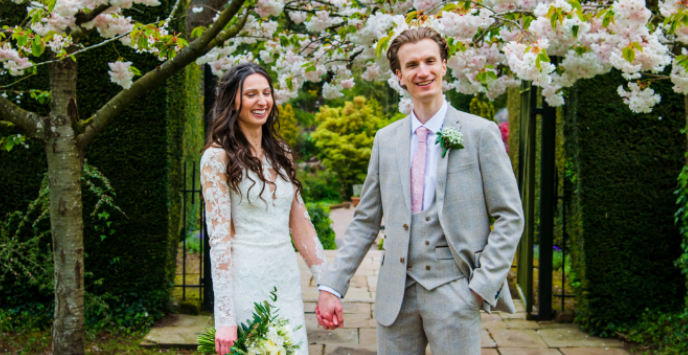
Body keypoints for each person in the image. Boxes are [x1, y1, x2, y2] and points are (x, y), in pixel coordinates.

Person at [316, 27, 524, 354]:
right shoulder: (385, 140)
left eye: (430, 61)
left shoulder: (479, 133)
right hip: (395, 296)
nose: (422, 71)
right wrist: (332, 286)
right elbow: (365, 221)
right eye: (411, 65)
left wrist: (482, 287)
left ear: (444, 66)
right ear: (399, 75)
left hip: (457, 292)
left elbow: (510, 216)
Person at [200, 63, 327, 355]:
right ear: (234, 100)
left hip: (285, 278)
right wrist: (225, 318)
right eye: (251, 94)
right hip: (246, 279)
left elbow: (301, 224)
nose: (262, 101)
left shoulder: (280, 153)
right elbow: (219, 241)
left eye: (266, 93)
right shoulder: (216, 158)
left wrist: (326, 285)